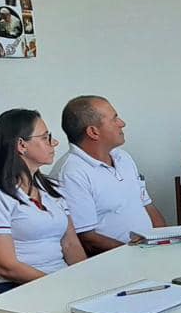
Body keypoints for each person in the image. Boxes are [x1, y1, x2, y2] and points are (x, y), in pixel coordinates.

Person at [0, 109, 85, 306]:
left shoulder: (51, 187)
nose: (54, 143)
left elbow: (71, 244)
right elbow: (5, 266)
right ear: (21, 145)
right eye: (46, 137)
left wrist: (86, 281)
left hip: (57, 283)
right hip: (10, 290)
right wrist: (61, 287)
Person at [56, 95, 166, 255]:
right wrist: (135, 253)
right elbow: (86, 238)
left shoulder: (123, 157)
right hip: (119, 259)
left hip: (150, 252)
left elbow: (147, 205)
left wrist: (166, 242)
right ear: (93, 132)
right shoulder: (71, 173)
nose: (122, 123)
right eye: (114, 119)